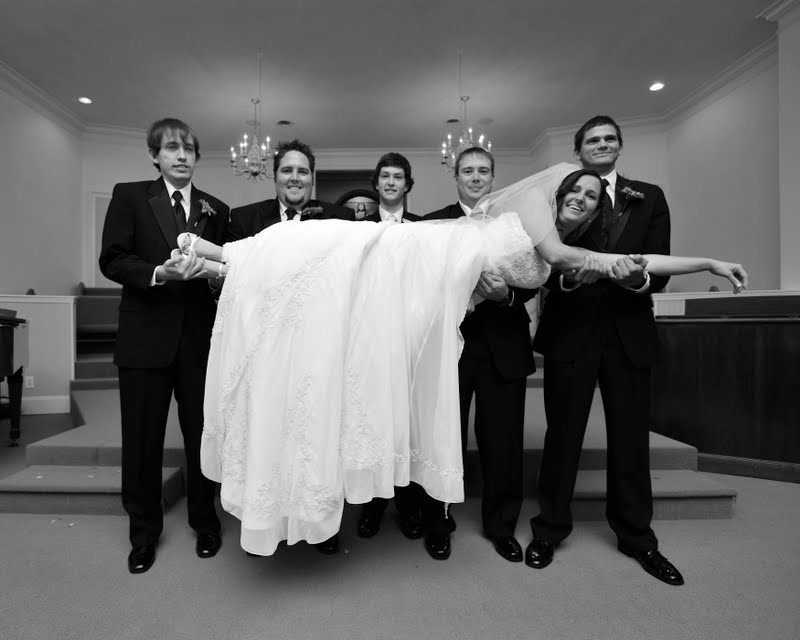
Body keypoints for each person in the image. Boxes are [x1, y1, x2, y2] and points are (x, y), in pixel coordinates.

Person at [526, 115, 702, 586]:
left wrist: (638, 280)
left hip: (629, 332)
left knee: (630, 438)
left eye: (610, 138)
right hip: (571, 331)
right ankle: (549, 528)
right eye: (593, 140)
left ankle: (637, 537)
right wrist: (567, 280)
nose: (602, 144)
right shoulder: (558, 195)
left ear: (620, 147)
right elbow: (543, 260)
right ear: (579, 150)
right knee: (562, 435)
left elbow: (659, 267)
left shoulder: (650, 197)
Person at [99, 118, 228, 574]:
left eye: (189, 148)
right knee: (142, 442)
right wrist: (158, 273)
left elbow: (224, 273)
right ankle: (143, 533)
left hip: (199, 345)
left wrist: (214, 278)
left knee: (202, 437)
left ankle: (205, 521)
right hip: (144, 341)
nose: (182, 155)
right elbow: (113, 259)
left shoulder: (217, 209)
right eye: (172, 148)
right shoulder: (129, 196)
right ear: (155, 155)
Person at [422, 146, 539, 563]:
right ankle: (438, 524)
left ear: (493, 177)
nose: (475, 177)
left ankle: (501, 526)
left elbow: (535, 277)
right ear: (455, 177)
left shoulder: (515, 225)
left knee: (503, 442)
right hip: (449, 349)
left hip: (504, 344)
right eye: (468, 170)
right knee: (441, 439)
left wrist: (506, 295)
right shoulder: (432, 224)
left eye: (483, 171)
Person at [356, 153, 424, 541]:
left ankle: (409, 505)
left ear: (407, 184)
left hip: (411, 336)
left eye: (398, 176)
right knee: (373, 422)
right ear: (377, 183)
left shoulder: (422, 228)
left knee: (408, 424)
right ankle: (373, 504)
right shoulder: (357, 229)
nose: (392, 182)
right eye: (385, 176)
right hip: (370, 339)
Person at [226, 138, 353, 243]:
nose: (294, 178)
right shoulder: (243, 219)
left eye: (302, 171)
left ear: (312, 179)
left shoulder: (341, 219)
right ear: (275, 177)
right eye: (287, 171)